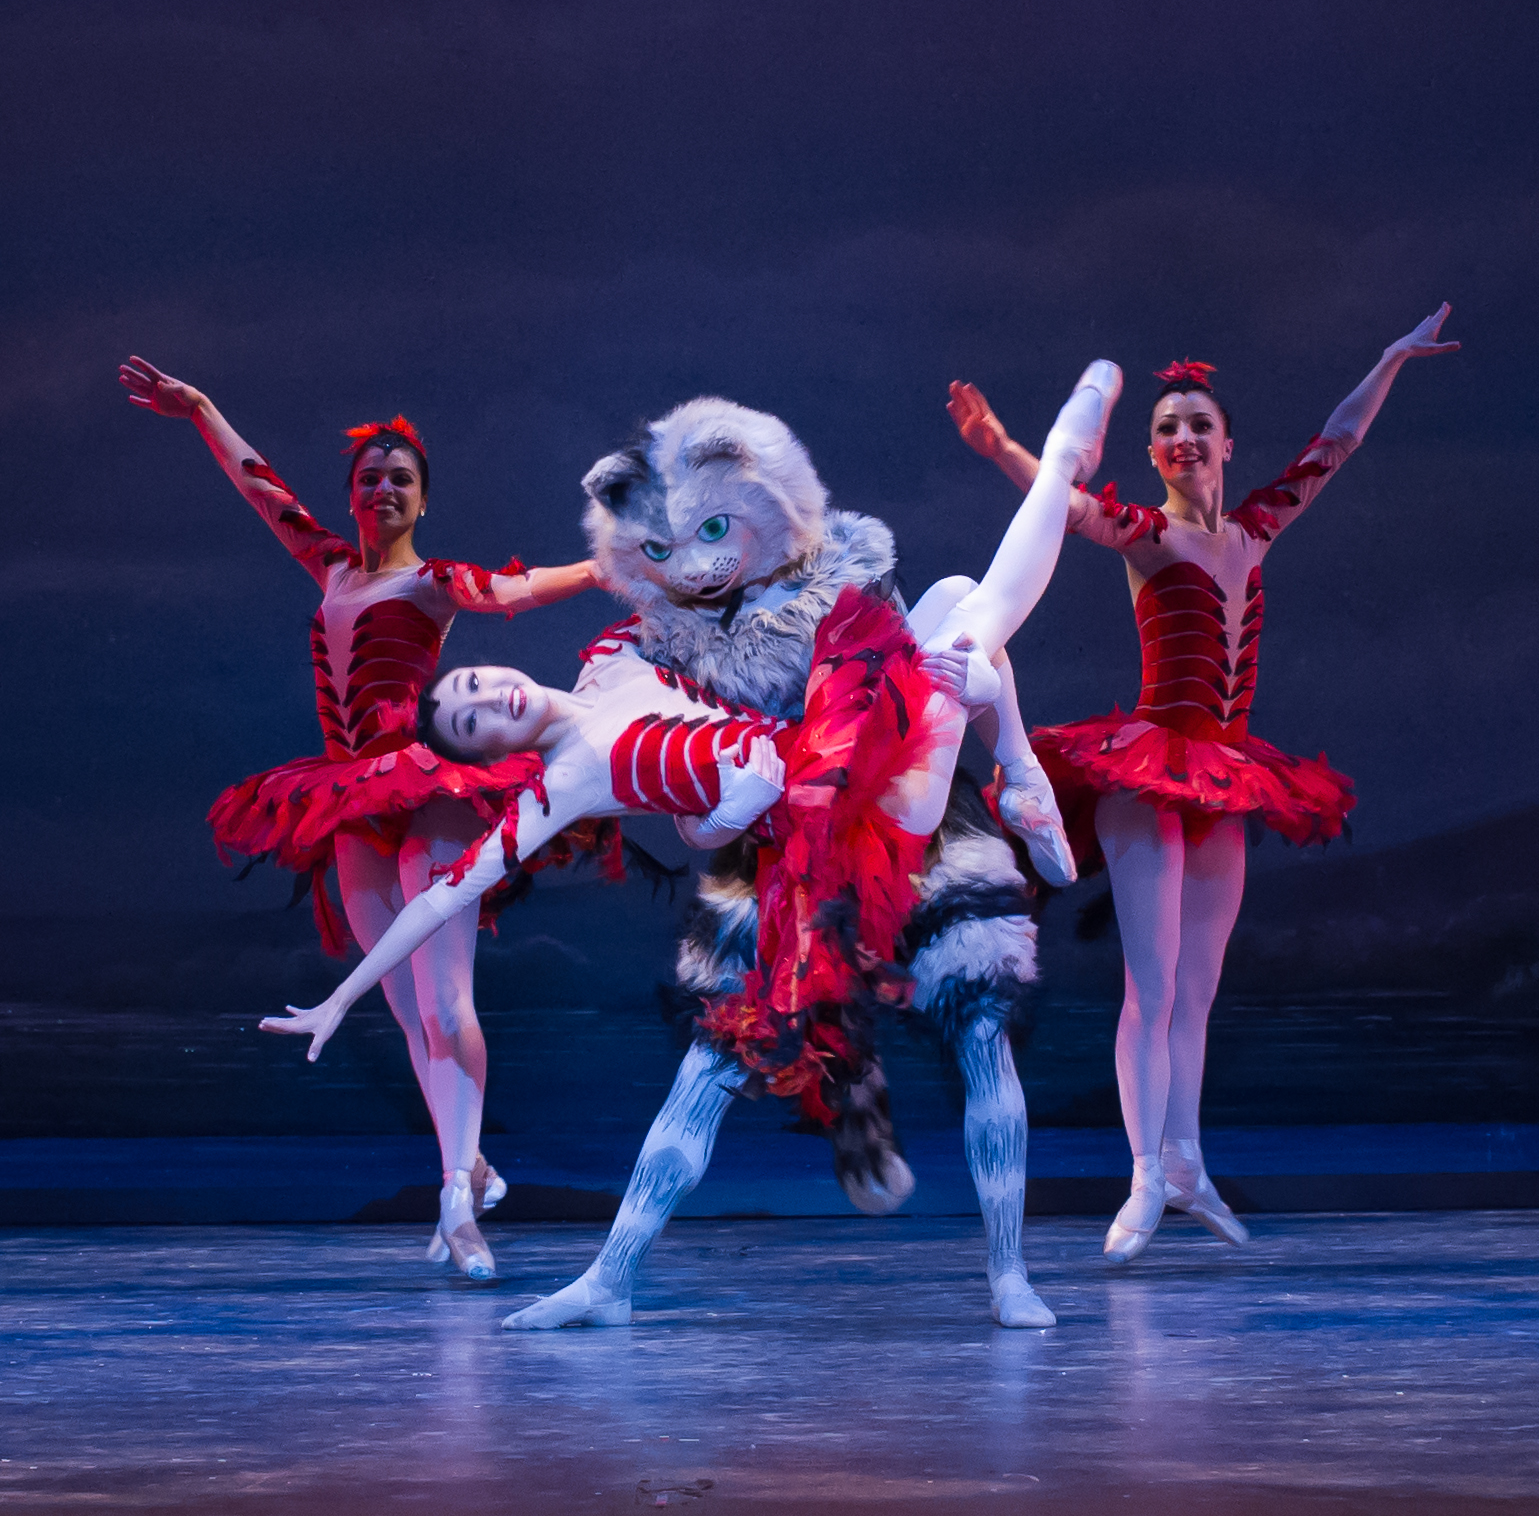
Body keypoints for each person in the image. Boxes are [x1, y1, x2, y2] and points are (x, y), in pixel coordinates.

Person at [262, 360, 1123, 1329]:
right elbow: (498, 874)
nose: (484, 697)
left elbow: (834, 652)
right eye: (469, 719)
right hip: (793, 837)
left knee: (967, 621)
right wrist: (341, 997)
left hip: (880, 779)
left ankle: (1009, 1271)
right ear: (489, 750)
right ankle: (610, 1277)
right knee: (713, 1062)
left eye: (471, 685)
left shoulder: (654, 644)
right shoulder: (613, 706)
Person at [947, 306, 1460, 1264]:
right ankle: (1145, 1173)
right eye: (1166, 429)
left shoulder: (1255, 529)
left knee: (1198, 987)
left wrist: (1388, 358)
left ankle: (1186, 1161)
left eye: (1197, 424)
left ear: (1226, 443)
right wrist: (1002, 446)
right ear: (1151, 455)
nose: (1183, 437)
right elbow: (1063, 502)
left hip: (1225, 775)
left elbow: (1336, 444)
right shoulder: (1146, 535)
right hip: (1151, 769)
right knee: (1150, 984)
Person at [118, 357, 602, 1280]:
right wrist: (204, 410)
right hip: (346, 798)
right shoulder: (331, 566)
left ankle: (458, 1198)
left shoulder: (433, 583)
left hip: (428, 793)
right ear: (352, 497)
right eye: (369, 478)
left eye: (400, 480)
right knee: (400, 1006)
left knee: (444, 996)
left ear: (421, 501)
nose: (382, 489)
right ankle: (467, 1164)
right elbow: (264, 491)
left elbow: (522, 588)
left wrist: (611, 564)